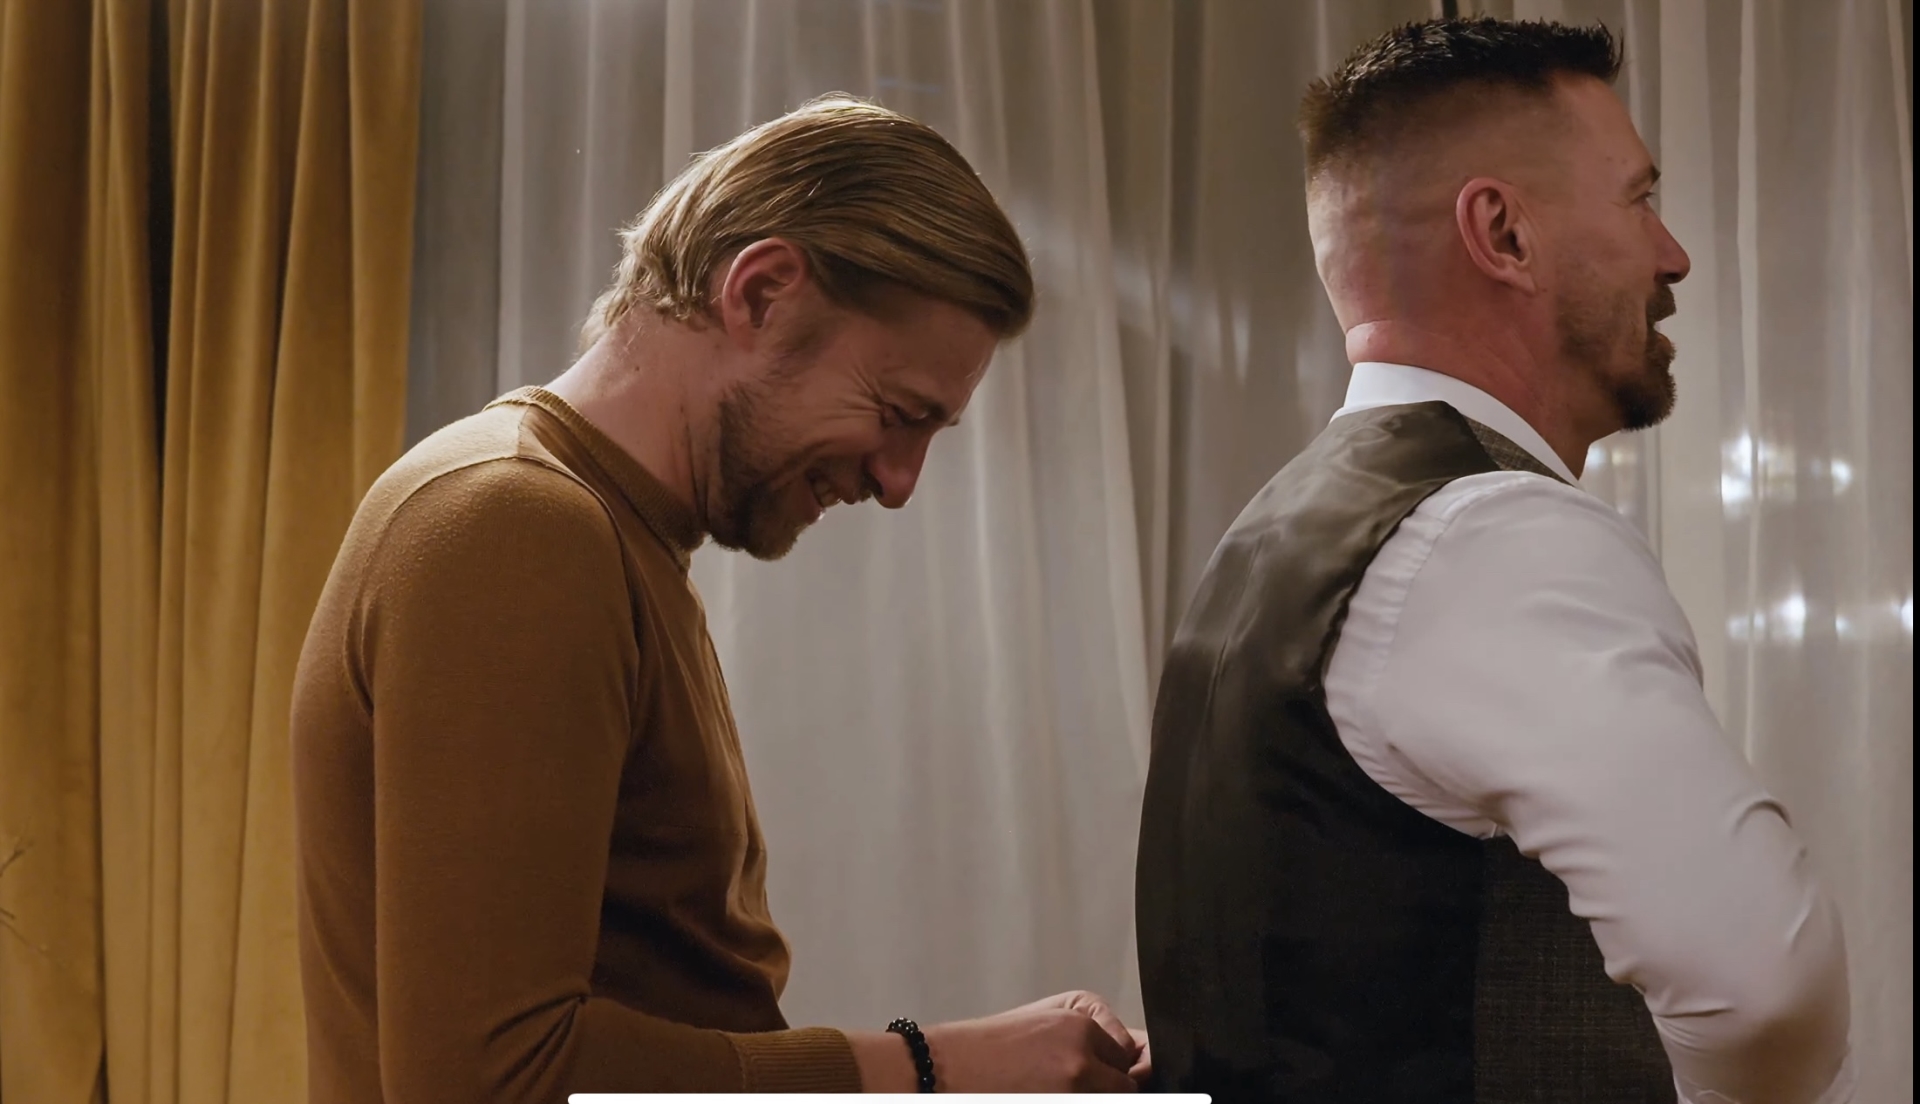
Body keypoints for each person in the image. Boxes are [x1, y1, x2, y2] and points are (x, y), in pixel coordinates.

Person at [292, 95, 1147, 1101]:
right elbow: (492, 1081)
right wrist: (937, 1066)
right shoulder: (513, 526)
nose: (899, 481)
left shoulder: (611, 536)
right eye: (897, 413)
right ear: (762, 292)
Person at [1134, 18, 1853, 1104]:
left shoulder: (1276, 530)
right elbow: (1766, 994)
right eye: (1639, 200)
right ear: (1504, 234)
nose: (1673, 255)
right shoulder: (1493, 534)